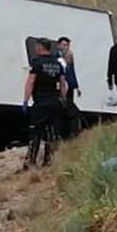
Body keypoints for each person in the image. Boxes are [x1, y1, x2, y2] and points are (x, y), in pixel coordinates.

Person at [23, 38, 67, 169]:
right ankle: (48, 160)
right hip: (54, 102)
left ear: (41, 48)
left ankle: (30, 161)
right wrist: (63, 99)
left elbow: (30, 82)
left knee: (35, 131)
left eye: (37, 46)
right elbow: (63, 84)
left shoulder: (37, 64)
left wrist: (26, 100)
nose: (35, 48)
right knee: (51, 132)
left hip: (41, 102)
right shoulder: (58, 64)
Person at [56, 36, 83, 136]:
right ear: (59, 45)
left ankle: (71, 131)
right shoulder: (57, 58)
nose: (66, 47)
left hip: (70, 85)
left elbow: (72, 72)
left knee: (69, 104)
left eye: (67, 45)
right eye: (63, 45)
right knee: (66, 107)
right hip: (62, 86)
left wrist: (76, 86)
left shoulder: (70, 56)